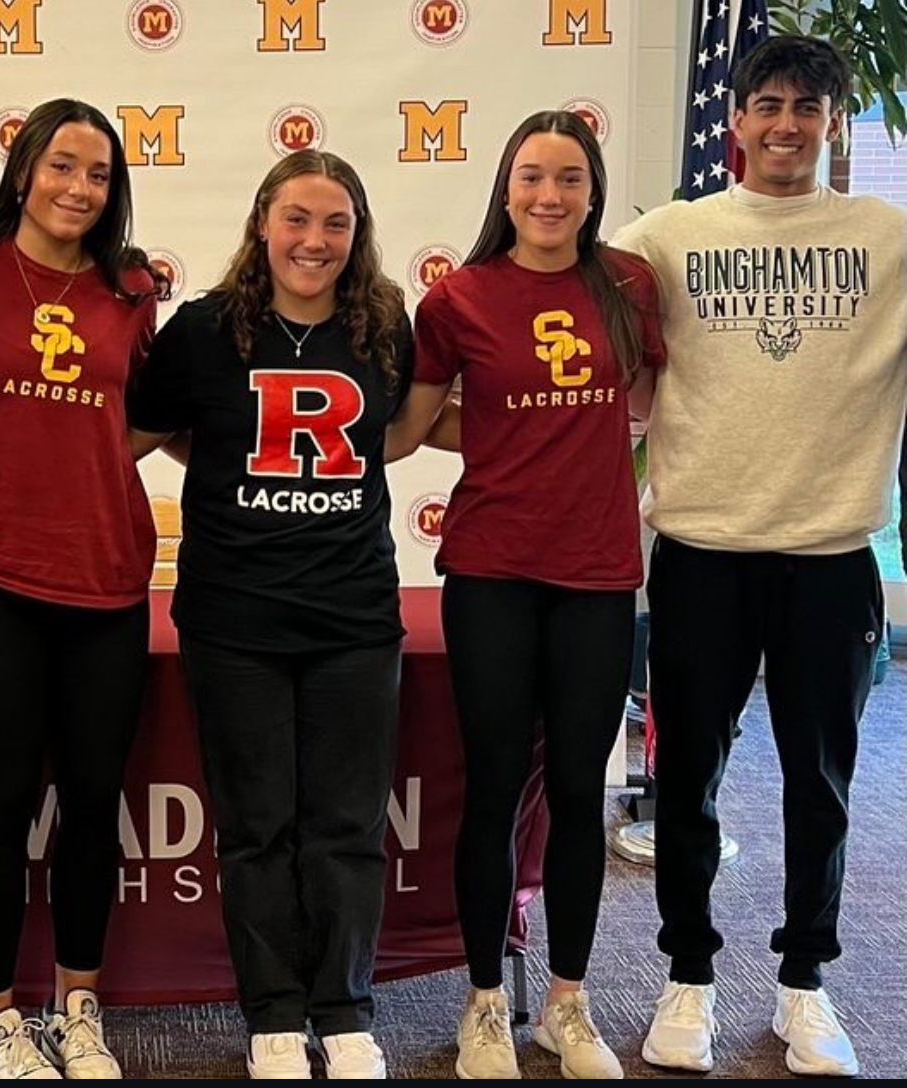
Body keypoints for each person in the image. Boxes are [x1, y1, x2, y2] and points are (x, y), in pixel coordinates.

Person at [612, 34, 907, 1078]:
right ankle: (686, 974)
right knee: (686, 776)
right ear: (734, 121)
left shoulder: (888, 237)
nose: (786, 123)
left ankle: (806, 985)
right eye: (767, 104)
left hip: (831, 556)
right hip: (702, 549)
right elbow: (565, 307)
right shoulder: (666, 235)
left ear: (832, 122)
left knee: (820, 784)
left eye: (807, 107)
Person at [387, 110, 663, 1080]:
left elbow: (651, 405)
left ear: (592, 193)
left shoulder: (629, 285)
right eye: (533, 176)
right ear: (505, 189)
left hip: (596, 576)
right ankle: (485, 1002)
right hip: (492, 573)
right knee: (495, 787)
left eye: (572, 178)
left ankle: (568, 1003)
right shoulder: (458, 297)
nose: (551, 195)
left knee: (580, 792)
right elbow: (410, 427)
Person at [129, 149, 411, 1081]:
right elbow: (148, 429)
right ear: (262, 223)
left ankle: (344, 1006)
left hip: (354, 613)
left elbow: (399, 432)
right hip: (235, 617)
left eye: (335, 223)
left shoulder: (383, 325)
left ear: (356, 234)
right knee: (257, 827)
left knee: (345, 822)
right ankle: (275, 1014)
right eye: (297, 219)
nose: (315, 241)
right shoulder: (205, 330)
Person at [0, 99, 164, 1080]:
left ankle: (77, 1005)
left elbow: (147, 408)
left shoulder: (132, 288)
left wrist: (87, 452)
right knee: (2, 803)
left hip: (106, 577)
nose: (78, 187)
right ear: (23, 172)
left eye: (98, 173)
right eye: (62, 165)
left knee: (94, 804)